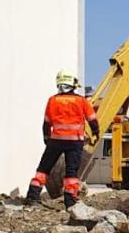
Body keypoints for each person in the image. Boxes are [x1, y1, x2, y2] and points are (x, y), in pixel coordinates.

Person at [25, 70, 100, 208]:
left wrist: (47, 139)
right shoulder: (81, 101)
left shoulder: (52, 100)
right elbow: (92, 120)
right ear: (72, 84)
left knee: (43, 169)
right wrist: (96, 132)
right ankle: (70, 200)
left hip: (56, 141)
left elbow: (46, 123)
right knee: (71, 172)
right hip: (75, 142)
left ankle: (32, 197)